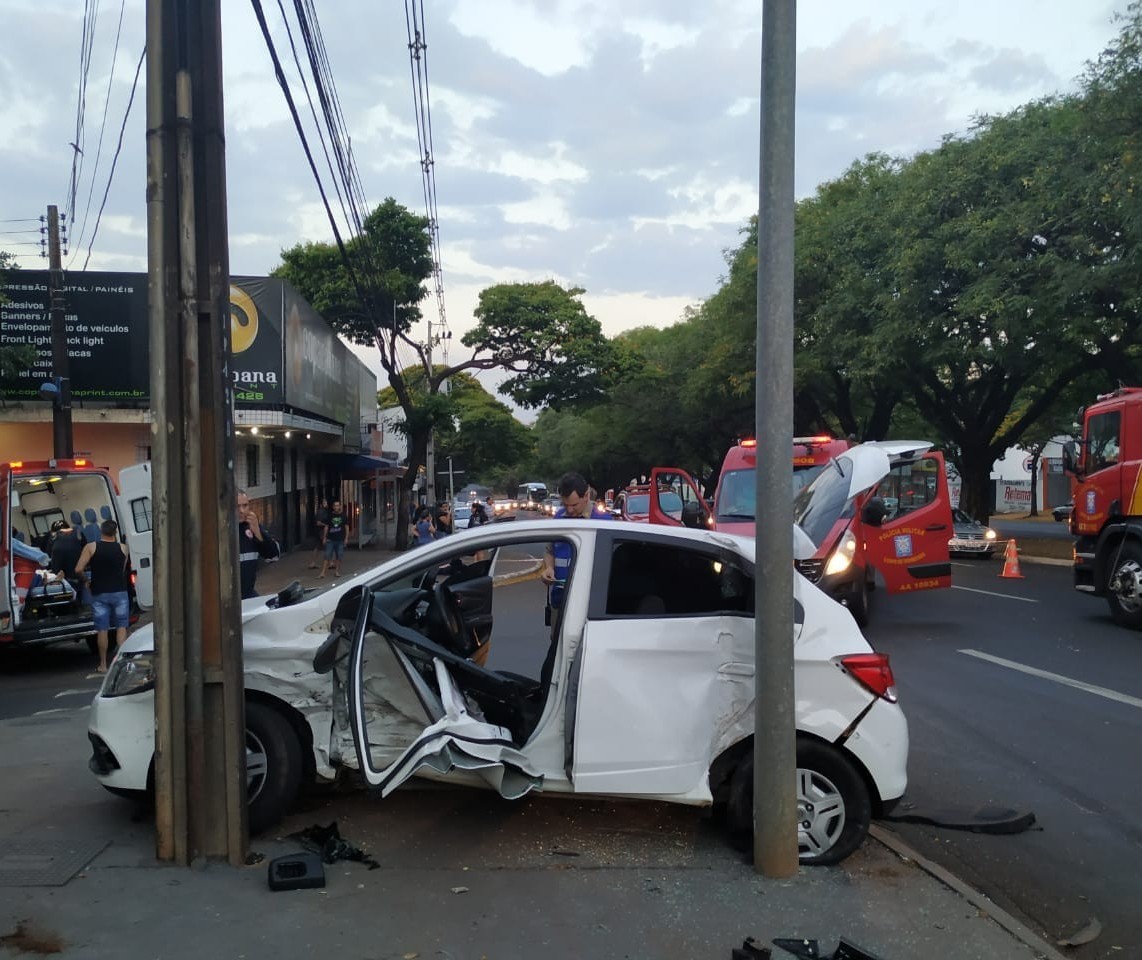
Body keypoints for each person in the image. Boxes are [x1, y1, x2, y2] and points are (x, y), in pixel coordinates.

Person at [541, 472, 613, 610]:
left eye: (573, 505)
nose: (569, 510)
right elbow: (550, 550)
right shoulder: (559, 517)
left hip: (590, 605)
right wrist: (548, 568)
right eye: (565, 504)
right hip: (560, 601)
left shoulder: (603, 522)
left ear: (586, 496)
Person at [74, 519, 131, 673]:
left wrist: (87, 581)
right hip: (120, 593)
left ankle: (104, 665)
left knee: (102, 629)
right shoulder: (123, 548)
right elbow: (122, 569)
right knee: (121, 627)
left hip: (99, 593)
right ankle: (122, 662)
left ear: (101, 531)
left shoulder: (91, 547)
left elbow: (78, 568)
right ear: (115, 533)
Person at [237, 489, 281, 599]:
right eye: (236, 506)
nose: (241, 510)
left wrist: (258, 532)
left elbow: (274, 555)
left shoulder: (252, 527)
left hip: (248, 595)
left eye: (245, 505)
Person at [49, 518, 89, 601]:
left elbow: (48, 556)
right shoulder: (79, 534)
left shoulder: (52, 538)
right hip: (78, 572)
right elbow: (86, 551)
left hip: (61, 575)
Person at [318, 499, 350, 578]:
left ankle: (337, 572)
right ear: (333, 507)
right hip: (330, 539)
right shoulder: (330, 515)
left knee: (339, 556)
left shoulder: (343, 516)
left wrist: (346, 538)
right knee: (327, 555)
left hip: (340, 539)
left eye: (337, 505)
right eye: (335, 506)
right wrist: (325, 537)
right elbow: (326, 526)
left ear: (340, 506)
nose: (336, 507)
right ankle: (323, 573)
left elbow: (346, 527)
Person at [309, 498, 330, 569]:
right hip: (321, 531)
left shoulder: (323, 511)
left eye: (326, 502)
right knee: (328, 546)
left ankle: (313, 563)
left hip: (319, 531)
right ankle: (330, 563)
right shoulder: (321, 512)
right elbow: (318, 523)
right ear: (321, 505)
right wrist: (326, 525)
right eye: (324, 503)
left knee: (317, 547)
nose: (326, 504)